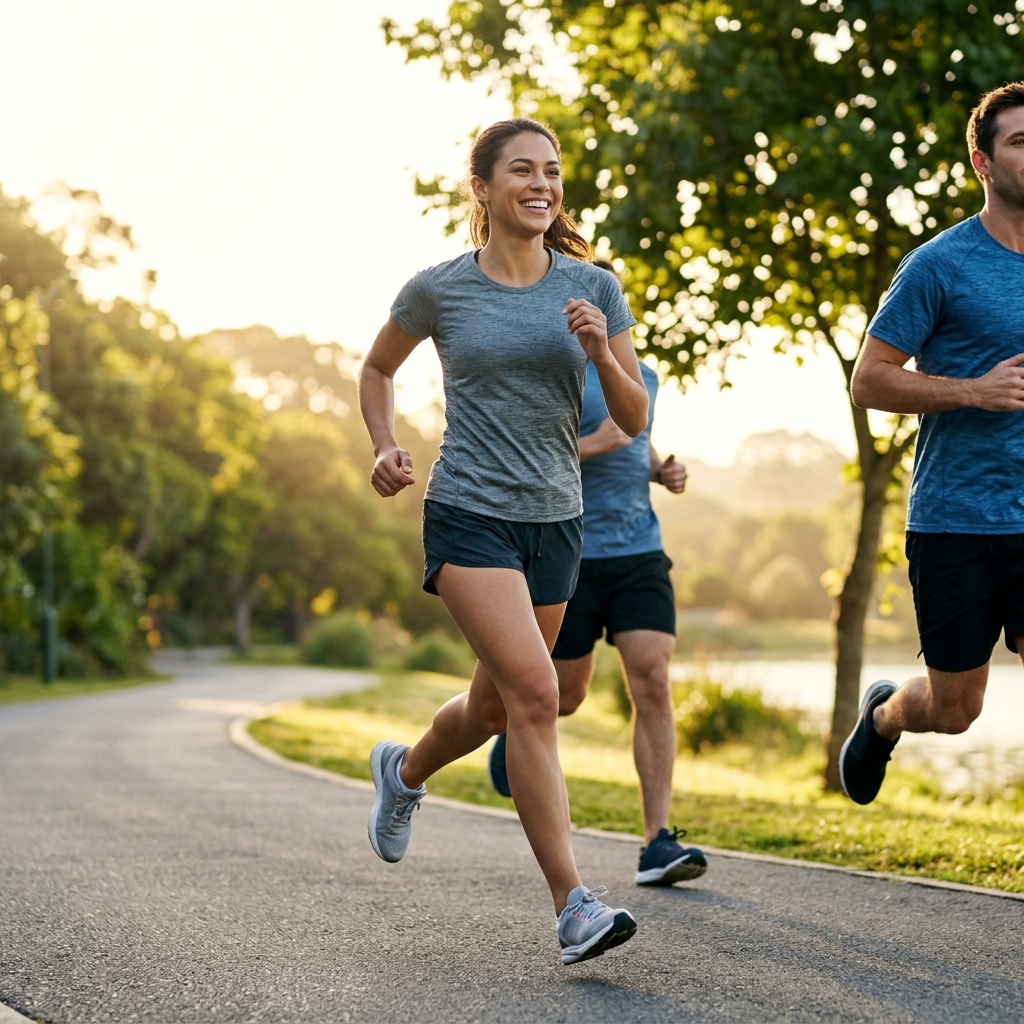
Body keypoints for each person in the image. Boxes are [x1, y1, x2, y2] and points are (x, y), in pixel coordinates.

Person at [358, 117, 650, 964]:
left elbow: (633, 422)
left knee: (493, 707)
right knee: (537, 697)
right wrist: (384, 443)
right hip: (469, 512)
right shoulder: (441, 289)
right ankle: (574, 906)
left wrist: (601, 353)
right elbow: (377, 369)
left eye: (553, 171)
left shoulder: (595, 286)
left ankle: (404, 772)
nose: (542, 184)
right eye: (521, 170)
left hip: (557, 520)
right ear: (481, 188)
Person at [486, 261, 707, 886]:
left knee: (654, 680)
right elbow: (526, 460)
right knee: (567, 694)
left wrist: (661, 470)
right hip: (568, 549)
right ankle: (515, 725)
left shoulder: (647, 374)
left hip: (638, 551)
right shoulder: (548, 375)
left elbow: (637, 438)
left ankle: (657, 842)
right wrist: (594, 444)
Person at [840, 82, 1024, 804]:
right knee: (955, 711)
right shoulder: (939, 265)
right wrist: (973, 390)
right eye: (1020, 142)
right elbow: (869, 381)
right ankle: (885, 715)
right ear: (983, 161)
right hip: (956, 517)